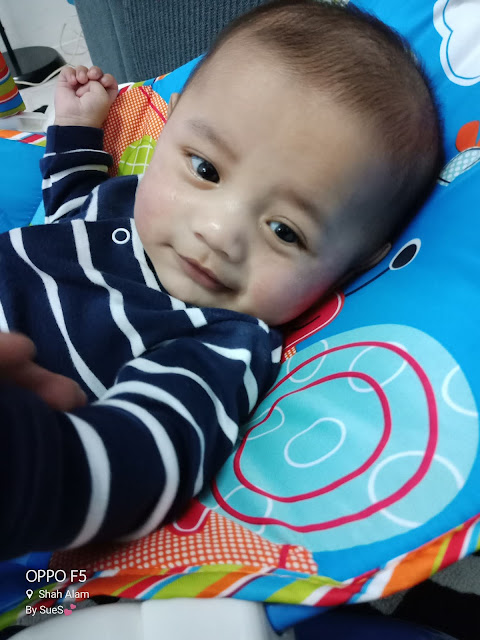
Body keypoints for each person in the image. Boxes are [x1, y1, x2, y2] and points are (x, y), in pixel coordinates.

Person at [0, 0, 444, 561]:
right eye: (205, 169)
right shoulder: (127, 200)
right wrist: (76, 126)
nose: (217, 232)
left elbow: (142, 456)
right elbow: (71, 205)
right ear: (168, 128)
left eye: (285, 231)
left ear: (353, 264)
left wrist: (28, 462)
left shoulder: (219, 342)